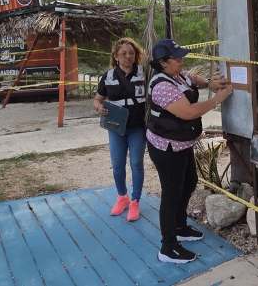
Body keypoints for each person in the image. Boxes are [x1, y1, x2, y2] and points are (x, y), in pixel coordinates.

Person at [146, 39, 232, 264]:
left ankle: (180, 226)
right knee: (171, 193)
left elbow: (193, 79)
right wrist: (217, 99)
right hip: (165, 147)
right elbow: (189, 112)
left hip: (181, 144)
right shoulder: (162, 85)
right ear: (163, 63)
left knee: (190, 182)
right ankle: (168, 246)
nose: (181, 60)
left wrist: (208, 84)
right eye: (176, 57)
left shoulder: (179, 75)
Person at [93, 37, 148, 222]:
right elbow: (97, 99)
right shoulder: (108, 77)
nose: (127, 57)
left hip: (137, 128)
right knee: (117, 166)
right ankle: (122, 197)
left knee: (136, 164)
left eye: (131, 53)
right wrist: (99, 107)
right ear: (116, 56)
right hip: (116, 128)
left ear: (136, 55)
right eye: (123, 53)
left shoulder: (144, 73)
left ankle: (135, 201)